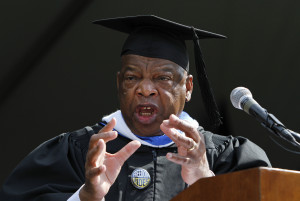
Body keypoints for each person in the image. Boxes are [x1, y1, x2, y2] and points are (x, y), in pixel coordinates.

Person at [0, 15, 271, 201]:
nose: (144, 89)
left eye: (162, 78)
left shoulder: (226, 159)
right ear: (119, 84)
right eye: (132, 78)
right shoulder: (78, 153)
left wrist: (206, 182)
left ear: (188, 87)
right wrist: (85, 197)